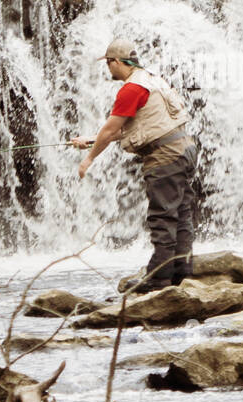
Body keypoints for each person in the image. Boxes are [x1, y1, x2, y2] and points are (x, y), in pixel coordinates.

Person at [71, 38, 198, 292]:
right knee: (181, 213)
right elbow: (139, 125)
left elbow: (111, 129)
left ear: (117, 62)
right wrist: (92, 140)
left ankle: (159, 278)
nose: (108, 68)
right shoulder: (152, 79)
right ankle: (182, 272)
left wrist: (89, 158)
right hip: (185, 149)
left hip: (164, 157)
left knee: (162, 217)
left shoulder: (130, 89)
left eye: (108, 63)